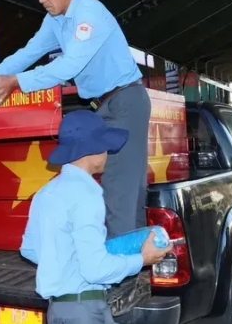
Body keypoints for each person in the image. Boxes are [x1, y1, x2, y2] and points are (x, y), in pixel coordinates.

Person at [0, 0, 150, 237]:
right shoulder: (56, 19)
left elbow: (69, 65)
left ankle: (120, 274)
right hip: (106, 105)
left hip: (126, 102)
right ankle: (133, 263)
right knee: (124, 191)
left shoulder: (90, 15)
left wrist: (15, 82)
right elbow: (29, 52)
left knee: (119, 190)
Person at [20, 110, 172, 324]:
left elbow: (29, 249)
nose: (108, 152)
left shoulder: (46, 192)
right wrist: (142, 259)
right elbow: (95, 270)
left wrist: (67, 263)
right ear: (93, 150)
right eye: (105, 146)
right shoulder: (87, 194)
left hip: (59, 311)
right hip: (84, 311)